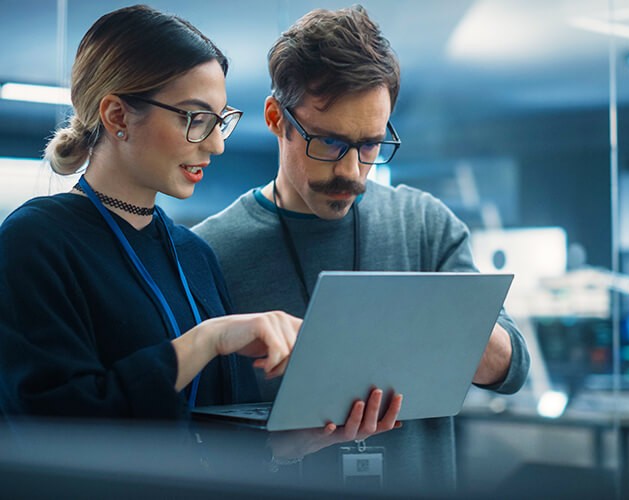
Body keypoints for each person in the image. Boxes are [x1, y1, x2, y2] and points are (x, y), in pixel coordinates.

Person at [0, 4, 399, 459]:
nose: (217, 143)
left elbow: (206, 436)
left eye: (219, 119)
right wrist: (206, 340)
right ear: (116, 116)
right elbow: (50, 428)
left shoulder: (194, 256)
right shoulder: (35, 242)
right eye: (195, 119)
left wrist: (283, 446)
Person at [193, 5, 531, 492]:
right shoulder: (209, 252)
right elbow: (195, 438)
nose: (352, 171)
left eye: (370, 145)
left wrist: (442, 322)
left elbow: (513, 367)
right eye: (329, 143)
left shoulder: (424, 224)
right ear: (276, 119)